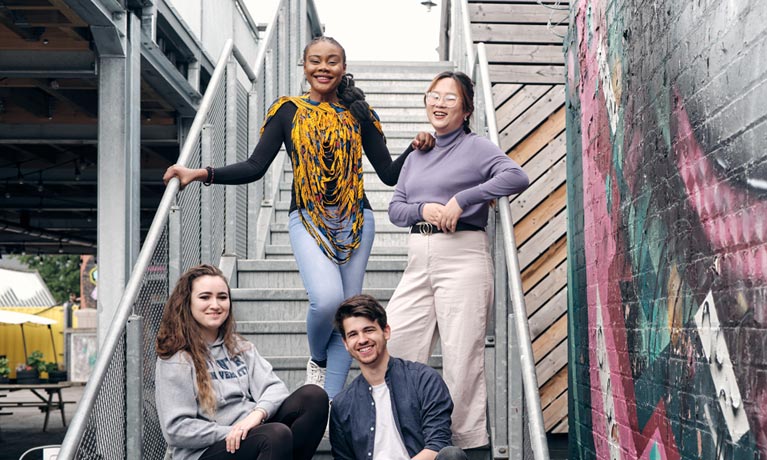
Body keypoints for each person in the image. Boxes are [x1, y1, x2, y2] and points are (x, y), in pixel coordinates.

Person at [163, 36, 434, 399]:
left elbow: (388, 173)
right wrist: (201, 173)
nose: (324, 68)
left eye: (332, 61)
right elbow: (255, 166)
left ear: (343, 67)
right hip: (308, 219)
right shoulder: (287, 110)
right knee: (326, 300)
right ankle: (318, 359)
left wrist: (415, 149)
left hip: (356, 222)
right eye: (316, 61)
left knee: (349, 317)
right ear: (304, 67)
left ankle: (329, 408)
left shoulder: (359, 113)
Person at [386, 71, 530, 449]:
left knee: (461, 357)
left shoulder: (478, 147)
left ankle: (461, 446)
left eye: (450, 98)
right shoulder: (418, 153)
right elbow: (396, 209)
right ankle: (407, 436)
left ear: (465, 109)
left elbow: (516, 176)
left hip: (463, 256)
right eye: (434, 95)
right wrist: (425, 208)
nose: (439, 103)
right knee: (397, 342)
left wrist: (463, 199)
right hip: (419, 258)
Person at [155, 264, 328, 460]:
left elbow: (275, 388)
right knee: (275, 435)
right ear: (187, 303)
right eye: (205, 297)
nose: (215, 305)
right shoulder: (178, 358)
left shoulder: (239, 347)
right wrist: (233, 431)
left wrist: (257, 416)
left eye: (222, 297)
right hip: (205, 451)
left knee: (313, 397)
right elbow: (176, 429)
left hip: (251, 434)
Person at [329, 294, 468, 460]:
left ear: (386, 332)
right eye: (353, 334)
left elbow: (437, 444)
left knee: (452, 455)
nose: (362, 340)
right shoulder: (342, 405)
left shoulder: (423, 380)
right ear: (345, 343)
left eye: (369, 330)